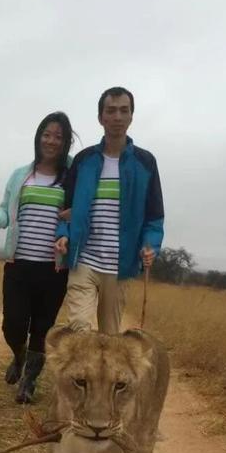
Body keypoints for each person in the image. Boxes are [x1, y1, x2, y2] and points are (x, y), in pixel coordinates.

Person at [0, 111, 74, 404]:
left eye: (58, 136)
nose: (51, 141)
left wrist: (72, 224)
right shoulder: (22, 175)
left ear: (66, 141)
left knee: (42, 328)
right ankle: (18, 357)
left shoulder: (73, 175)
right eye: (47, 134)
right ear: (38, 137)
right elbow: (8, 213)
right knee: (13, 324)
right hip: (18, 264)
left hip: (53, 269)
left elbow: (81, 212)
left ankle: (29, 382)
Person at [55, 86, 164, 334]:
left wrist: (150, 246)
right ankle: (80, 374)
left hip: (120, 268)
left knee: (109, 338)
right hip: (83, 261)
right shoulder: (84, 160)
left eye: (123, 111)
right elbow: (65, 208)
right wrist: (63, 234)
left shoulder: (145, 163)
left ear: (131, 116)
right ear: (100, 117)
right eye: (111, 111)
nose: (117, 117)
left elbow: (154, 216)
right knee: (79, 332)